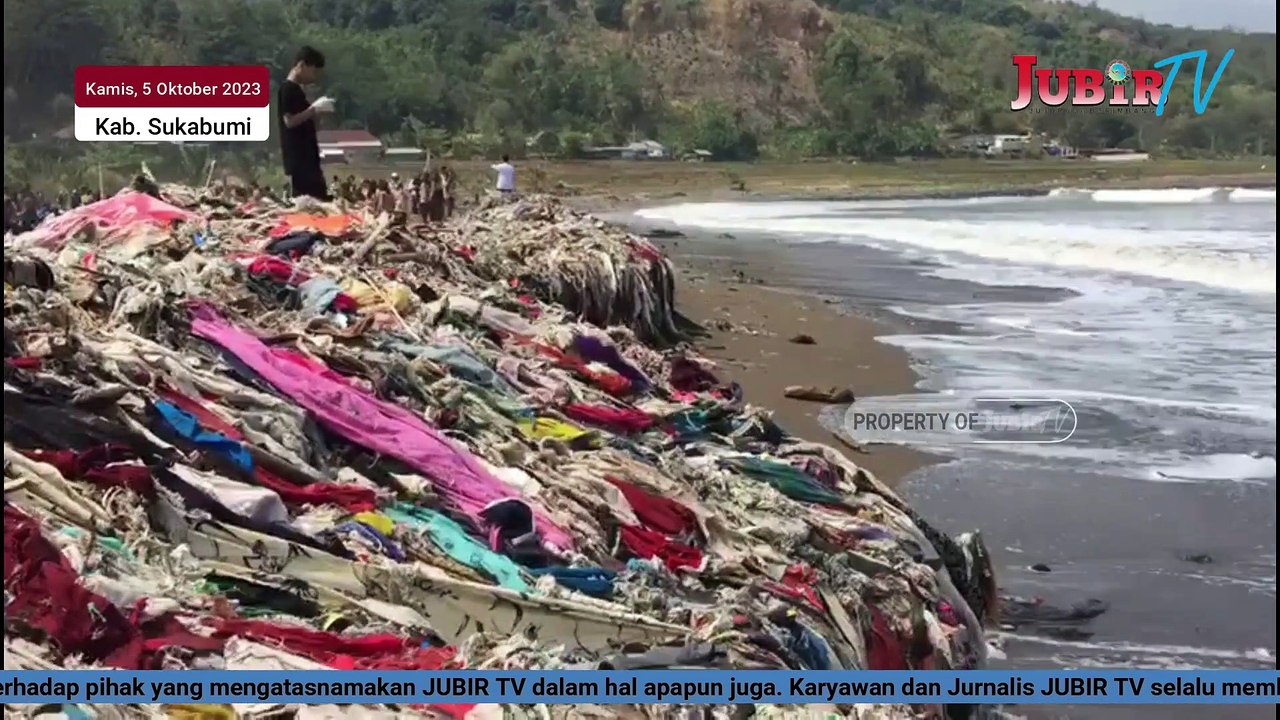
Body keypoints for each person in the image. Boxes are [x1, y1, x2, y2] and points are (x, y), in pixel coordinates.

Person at [278, 46, 335, 200]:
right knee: (312, 201)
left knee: (319, 197)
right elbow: (289, 121)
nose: (314, 76)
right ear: (302, 65)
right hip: (300, 160)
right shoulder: (288, 89)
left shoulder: (298, 90)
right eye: (313, 71)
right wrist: (314, 109)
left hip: (307, 159)